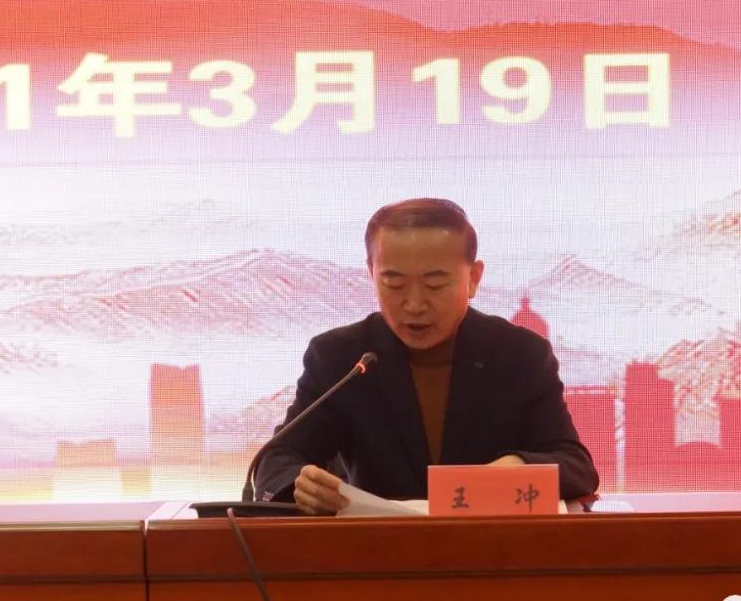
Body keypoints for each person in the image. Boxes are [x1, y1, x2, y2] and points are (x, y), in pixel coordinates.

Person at [249, 198, 598, 513]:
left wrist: (519, 466)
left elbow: (576, 465)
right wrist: (302, 487)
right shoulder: (340, 356)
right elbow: (278, 459)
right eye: (394, 284)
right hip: (375, 550)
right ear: (371, 273)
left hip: (491, 549)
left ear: (473, 278)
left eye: (435, 284)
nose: (414, 304)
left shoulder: (520, 354)